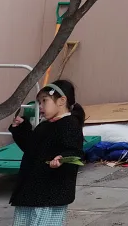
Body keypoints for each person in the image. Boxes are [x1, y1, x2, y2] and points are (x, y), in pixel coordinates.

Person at [8, 79, 86, 226]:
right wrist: (21, 128)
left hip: (50, 192)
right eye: (39, 102)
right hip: (31, 189)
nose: (40, 106)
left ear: (62, 101)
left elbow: (75, 152)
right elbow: (31, 148)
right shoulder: (45, 125)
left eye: (44, 100)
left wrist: (62, 158)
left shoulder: (70, 125)